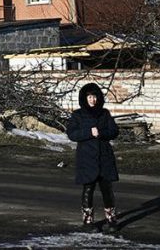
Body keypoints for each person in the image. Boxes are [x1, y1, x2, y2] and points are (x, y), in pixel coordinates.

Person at [66, 82, 120, 231]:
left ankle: (111, 220)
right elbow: (72, 134)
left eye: (94, 96)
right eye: (89, 96)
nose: (92, 100)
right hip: (86, 158)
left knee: (107, 190)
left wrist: (101, 133)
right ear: (84, 98)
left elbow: (114, 131)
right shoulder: (77, 115)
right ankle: (88, 222)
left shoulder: (104, 113)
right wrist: (89, 132)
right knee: (88, 190)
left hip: (104, 157)